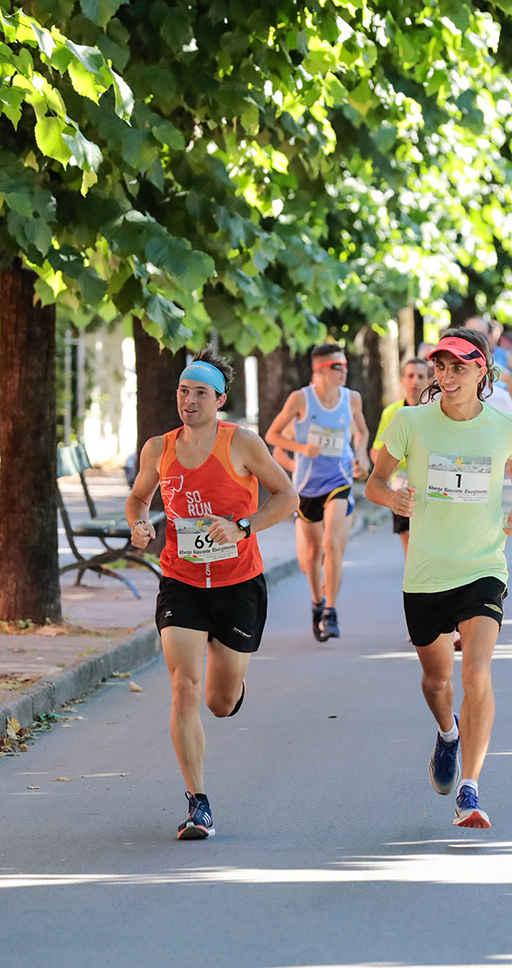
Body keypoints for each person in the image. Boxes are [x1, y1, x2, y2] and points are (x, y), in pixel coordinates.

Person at [365, 327, 512, 829]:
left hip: (483, 565)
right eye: (441, 366)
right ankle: (446, 733)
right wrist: (391, 497)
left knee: (476, 671)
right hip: (426, 572)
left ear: (482, 370)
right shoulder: (409, 422)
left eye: (459, 366)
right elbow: (375, 482)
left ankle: (470, 787)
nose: (447, 375)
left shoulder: (506, 426)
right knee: (438, 681)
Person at [126, 349, 297, 840]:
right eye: (183, 390)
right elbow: (139, 498)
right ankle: (197, 802)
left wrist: (242, 526)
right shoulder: (159, 448)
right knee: (184, 686)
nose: (189, 400)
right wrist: (139, 524)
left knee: (219, 702)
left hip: (239, 583)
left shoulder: (241, 443)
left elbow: (287, 497)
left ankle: (233, 685)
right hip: (181, 580)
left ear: (220, 399)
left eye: (200, 392)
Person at [265, 344, 369, 640]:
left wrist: (361, 454)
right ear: (320, 370)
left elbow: (362, 431)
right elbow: (271, 436)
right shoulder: (301, 399)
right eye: (338, 366)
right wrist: (301, 450)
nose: (344, 370)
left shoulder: (352, 399)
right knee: (312, 554)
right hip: (307, 485)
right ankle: (317, 602)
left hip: (339, 480)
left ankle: (332, 612)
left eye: (345, 364)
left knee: (332, 543)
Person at [372, 356, 431, 555]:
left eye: (421, 376)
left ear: (429, 381)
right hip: (401, 483)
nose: (415, 381)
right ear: (403, 380)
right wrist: (387, 469)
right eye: (410, 376)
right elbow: (376, 450)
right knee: (406, 535)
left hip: (429, 481)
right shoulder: (392, 412)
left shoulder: (435, 412)